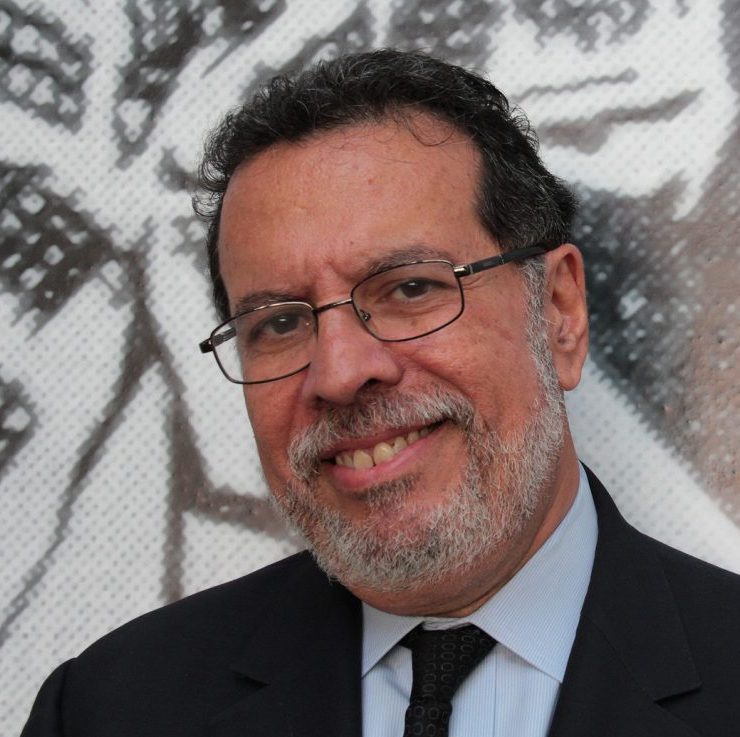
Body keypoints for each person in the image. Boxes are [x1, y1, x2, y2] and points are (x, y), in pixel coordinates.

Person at [21, 48, 740, 737]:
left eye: (410, 288)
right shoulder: (108, 710)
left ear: (558, 312)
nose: (340, 372)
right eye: (279, 323)